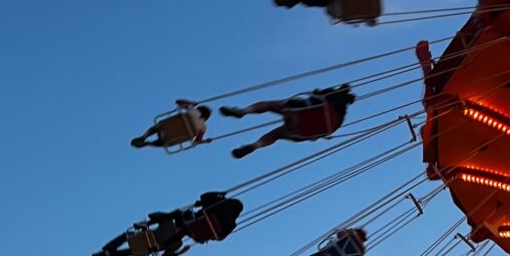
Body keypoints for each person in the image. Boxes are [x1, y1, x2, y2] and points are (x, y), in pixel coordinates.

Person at [93, 193, 243, 256]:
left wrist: (219, 195)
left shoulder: (221, 203)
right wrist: (179, 252)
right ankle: (107, 255)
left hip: (186, 223)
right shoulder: (232, 224)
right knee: (140, 250)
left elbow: (203, 198)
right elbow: (220, 238)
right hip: (191, 235)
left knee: (175, 214)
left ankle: (148, 223)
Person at [220, 86, 357, 159]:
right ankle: (256, 145)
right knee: (276, 135)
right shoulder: (340, 119)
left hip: (302, 112)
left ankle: (244, 111)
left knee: (269, 105)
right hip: (303, 130)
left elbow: (319, 94)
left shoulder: (331, 99)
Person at [132, 100, 213, 150]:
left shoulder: (192, 111)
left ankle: (144, 137)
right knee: (164, 143)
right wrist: (205, 141)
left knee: (157, 127)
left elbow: (178, 101)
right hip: (174, 137)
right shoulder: (203, 127)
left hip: (166, 127)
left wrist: (191, 103)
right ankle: (149, 143)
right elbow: (197, 141)